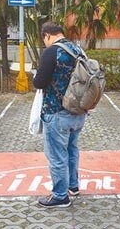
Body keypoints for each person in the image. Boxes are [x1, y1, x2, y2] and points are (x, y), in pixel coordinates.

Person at [33, 21, 87, 208]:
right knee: (72, 149)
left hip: (57, 113)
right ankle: (73, 185)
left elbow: (39, 82)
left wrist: (35, 76)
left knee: (57, 155)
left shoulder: (52, 52)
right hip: (79, 112)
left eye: (44, 39)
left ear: (47, 35)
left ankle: (60, 196)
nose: (45, 43)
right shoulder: (78, 50)